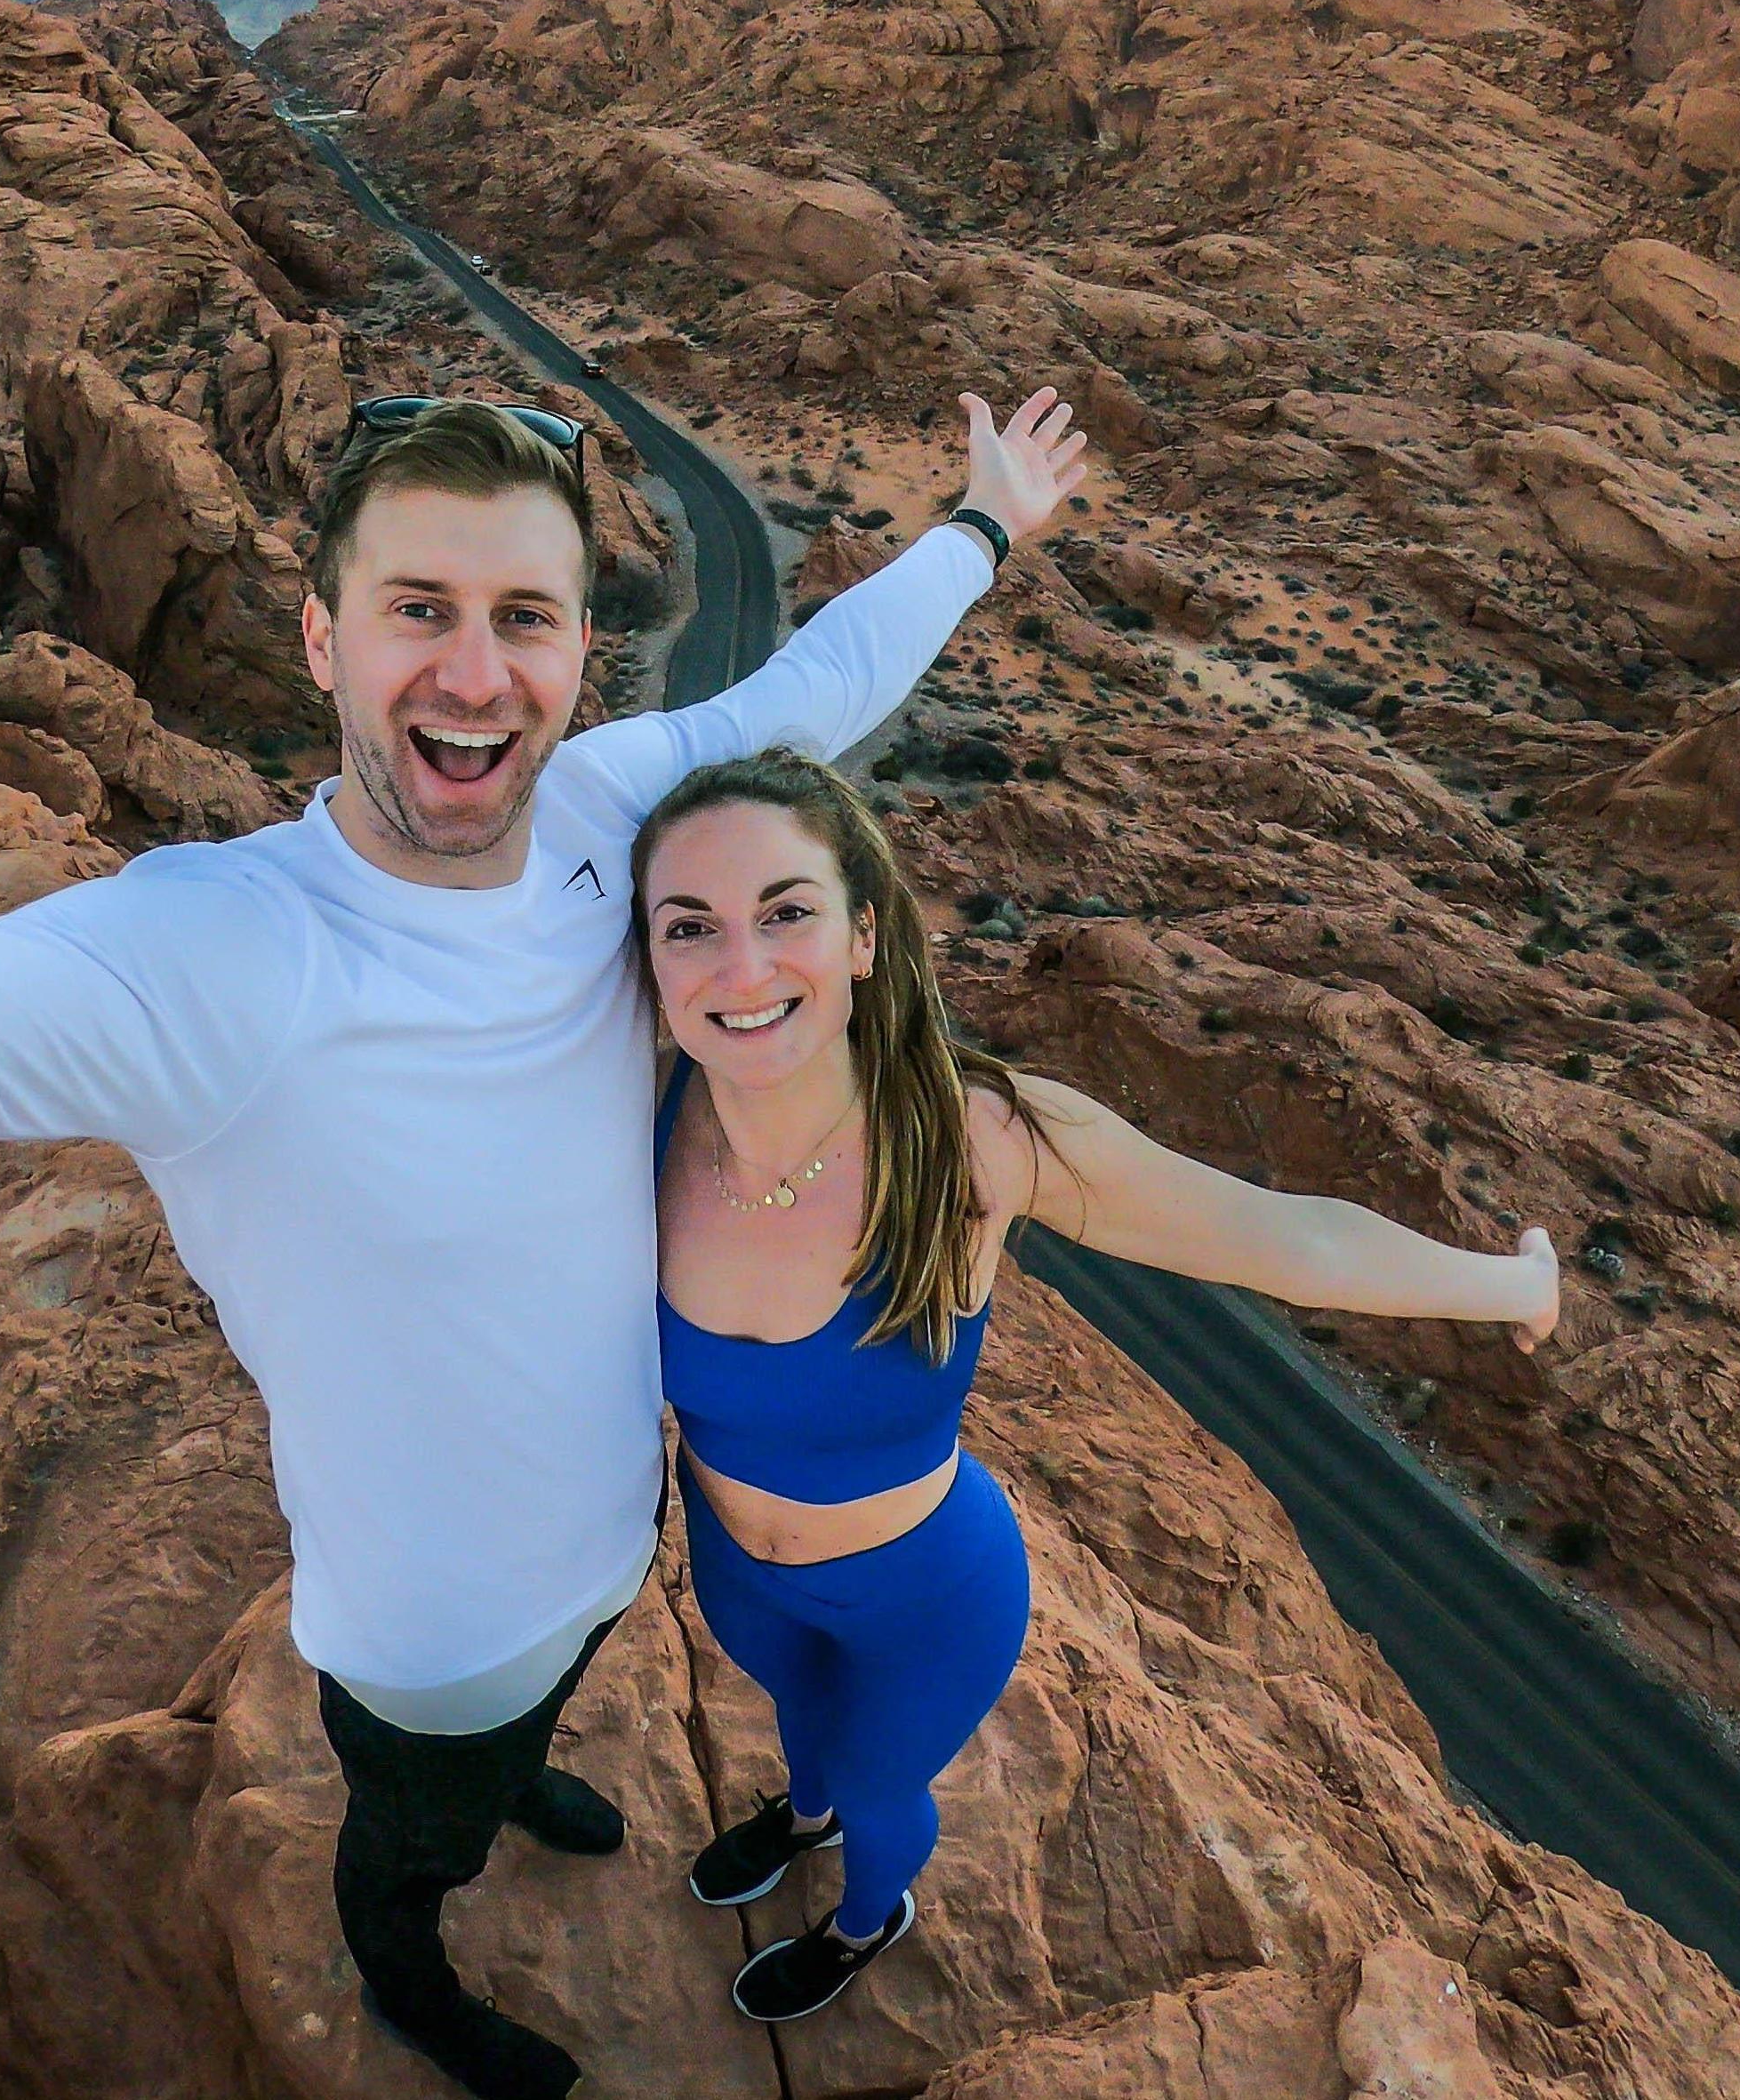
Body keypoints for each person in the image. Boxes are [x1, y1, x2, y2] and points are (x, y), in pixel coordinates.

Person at [0, 384, 1084, 2100]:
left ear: (584, 650)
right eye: (416, 610)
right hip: (422, 1633)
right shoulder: (219, 956)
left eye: (524, 618)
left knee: (535, 1731)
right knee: (406, 1839)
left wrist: (977, 527)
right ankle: (410, 1970)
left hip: (606, 1541)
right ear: (322, 640)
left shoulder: (601, 819)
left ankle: (518, 1779)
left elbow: (809, 695)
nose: (475, 674)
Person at [633, 749, 1561, 2024]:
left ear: (860, 932)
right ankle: (799, 1817)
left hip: (925, 1596)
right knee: (796, 1712)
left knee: (881, 1779)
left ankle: (861, 1919)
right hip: (738, 1571)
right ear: (650, 960)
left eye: (784, 909)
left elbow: (1286, 1239)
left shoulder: (976, 1144)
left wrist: (1512, 1286)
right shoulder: (643, 1109)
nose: (740, 967)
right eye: (691, 926)